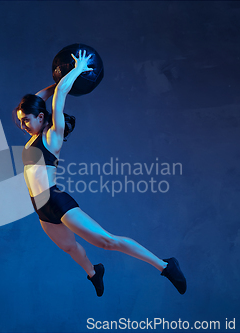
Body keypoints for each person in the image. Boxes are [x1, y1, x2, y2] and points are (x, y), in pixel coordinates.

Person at [13, 50, 186, 297]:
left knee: (106, 241)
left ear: (41, 117)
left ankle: (165, 265)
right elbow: (37, 98)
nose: (23, 125)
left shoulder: (52, 135)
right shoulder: (33, 135)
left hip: (55, 200)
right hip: (40, 207)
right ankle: (94, 272)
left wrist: (77, 70)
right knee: (69, 247)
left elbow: (60, 95)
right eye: (21, 121)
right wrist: (58, 79)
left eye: (26, 120)